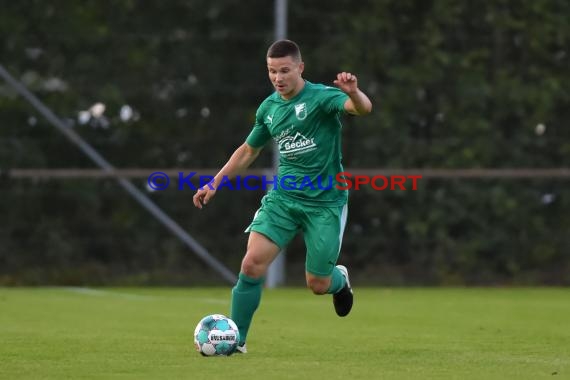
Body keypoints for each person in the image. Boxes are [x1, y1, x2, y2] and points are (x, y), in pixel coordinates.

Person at [192, 39, 372, 353]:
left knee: (317, 284)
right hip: (283, 200)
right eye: (272, 71)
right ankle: (237, 342)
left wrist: (353, 91)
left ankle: (339, 280)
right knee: (251, 265)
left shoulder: (321, 98)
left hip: (325, 203)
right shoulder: (269, 108)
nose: (278, 77)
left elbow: (362, 109)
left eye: (285, 70)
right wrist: (214, 183)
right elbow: (249, 150)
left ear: (300, 68)